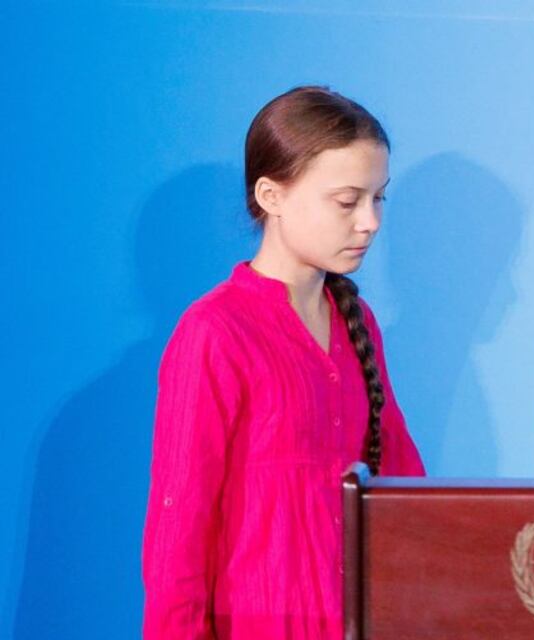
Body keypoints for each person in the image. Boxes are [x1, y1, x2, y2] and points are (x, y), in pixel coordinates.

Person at [141, 85, 426, 639]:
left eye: (379, 198)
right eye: (347, 201)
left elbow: (404, 487)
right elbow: (179, 528)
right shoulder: (215, 332)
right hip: (260, 621)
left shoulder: (356, 322)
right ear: (270, 195)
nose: (370, 222)